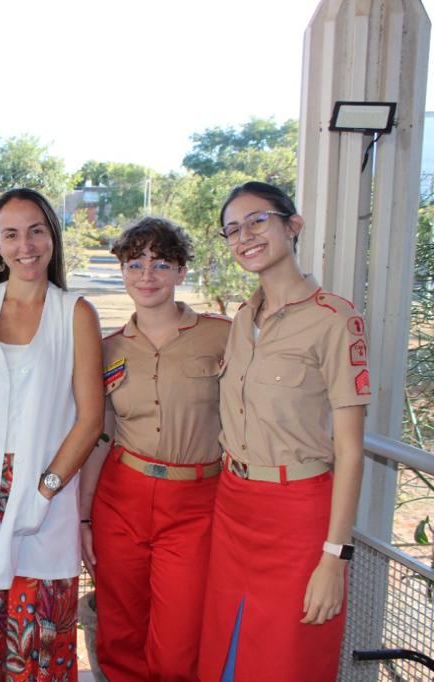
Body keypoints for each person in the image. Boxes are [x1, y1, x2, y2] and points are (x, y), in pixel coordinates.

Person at [198, 182, 369, 681]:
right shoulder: (241, 320)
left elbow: (352, 452)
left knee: (288, 660)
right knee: (224, 658)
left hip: (299, 516)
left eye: (257, 221)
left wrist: (334, 558)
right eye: (232, 229)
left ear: (292, 226)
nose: (244, 236)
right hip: (233, 506)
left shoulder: (336, 320)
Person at [0, 187, 103, 677]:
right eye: (11, 234)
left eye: (36, 231)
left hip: (46, 495)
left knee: (40, 651)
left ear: (52, 236)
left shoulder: (76, 313)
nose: (25, 245)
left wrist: (45, 489)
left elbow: (90, 419)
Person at [77, 217, 230, 681]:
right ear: (121, 270)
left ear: (182, 271)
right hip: (121, 498)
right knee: (120, 632)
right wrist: (84, 517)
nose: (147, 275)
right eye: (135, 263)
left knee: (178, 640)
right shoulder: (105, 349)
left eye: (161, 263)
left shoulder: (224, 336)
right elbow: (99, 434)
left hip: (196, 504)